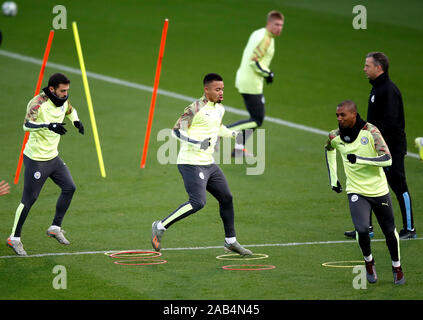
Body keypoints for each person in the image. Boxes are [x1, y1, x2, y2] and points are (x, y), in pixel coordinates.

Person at [151, 73, 252, 256]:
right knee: (198, 202)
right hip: (190, 163)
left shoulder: (219, 108)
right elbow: (175, 131)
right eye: (217, 89)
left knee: (227, 198)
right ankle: (160, 226)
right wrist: (198, 144)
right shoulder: (195, 108)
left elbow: (217, 127)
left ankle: (230, 242)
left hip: (209, 163)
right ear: (206, 90)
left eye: (222, 89)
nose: (221, 93)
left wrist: (233, 135)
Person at [325, 100, 405, 285]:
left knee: (389, 231)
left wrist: (359, 159)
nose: (339, 119)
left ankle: (397, 267)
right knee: (361, 229)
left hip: (378, 190)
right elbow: (329, 150)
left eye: (342, 115)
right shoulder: (334, 136)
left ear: (354, 114)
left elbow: (387, 159)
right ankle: (369, 262)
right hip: (356, 190)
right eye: (337, 115)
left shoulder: (371, 132)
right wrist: (334, 179)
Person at [6, 73, 85, 256]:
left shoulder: (63, 100)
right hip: (36, 159)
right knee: (29, 199)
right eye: (62, 90)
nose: (65, 94)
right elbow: (26, 125)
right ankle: (14, 238)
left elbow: (71, 110)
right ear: (52, 89)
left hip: (53, 158)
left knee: (69, 187)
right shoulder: (38, 103)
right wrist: (48, 125)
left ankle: (55, 227)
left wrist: (76, 121)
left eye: (67, 91)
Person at [344, 52, 416, 240]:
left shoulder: (387, 90)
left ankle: (409, 228)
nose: (364, 69)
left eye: (367, 66)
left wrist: (376, 142)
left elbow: (390, 122)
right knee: (368, 183)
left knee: (399, 185)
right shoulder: (377, 88)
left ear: (379, 67)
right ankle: (365, 227)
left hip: (390, 148)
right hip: (377, 146)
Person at [226, 10, 284, 157]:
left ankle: (238, 148)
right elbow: (254, 61)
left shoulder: (258, 33)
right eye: (276, 24)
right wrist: (268, 74)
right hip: (251, 83)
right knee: (257, 119)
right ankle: (221, 132)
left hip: (246, 79)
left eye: (281, 25)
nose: (279, 28)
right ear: (268, 24)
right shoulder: (266, 39)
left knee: (255, 117)